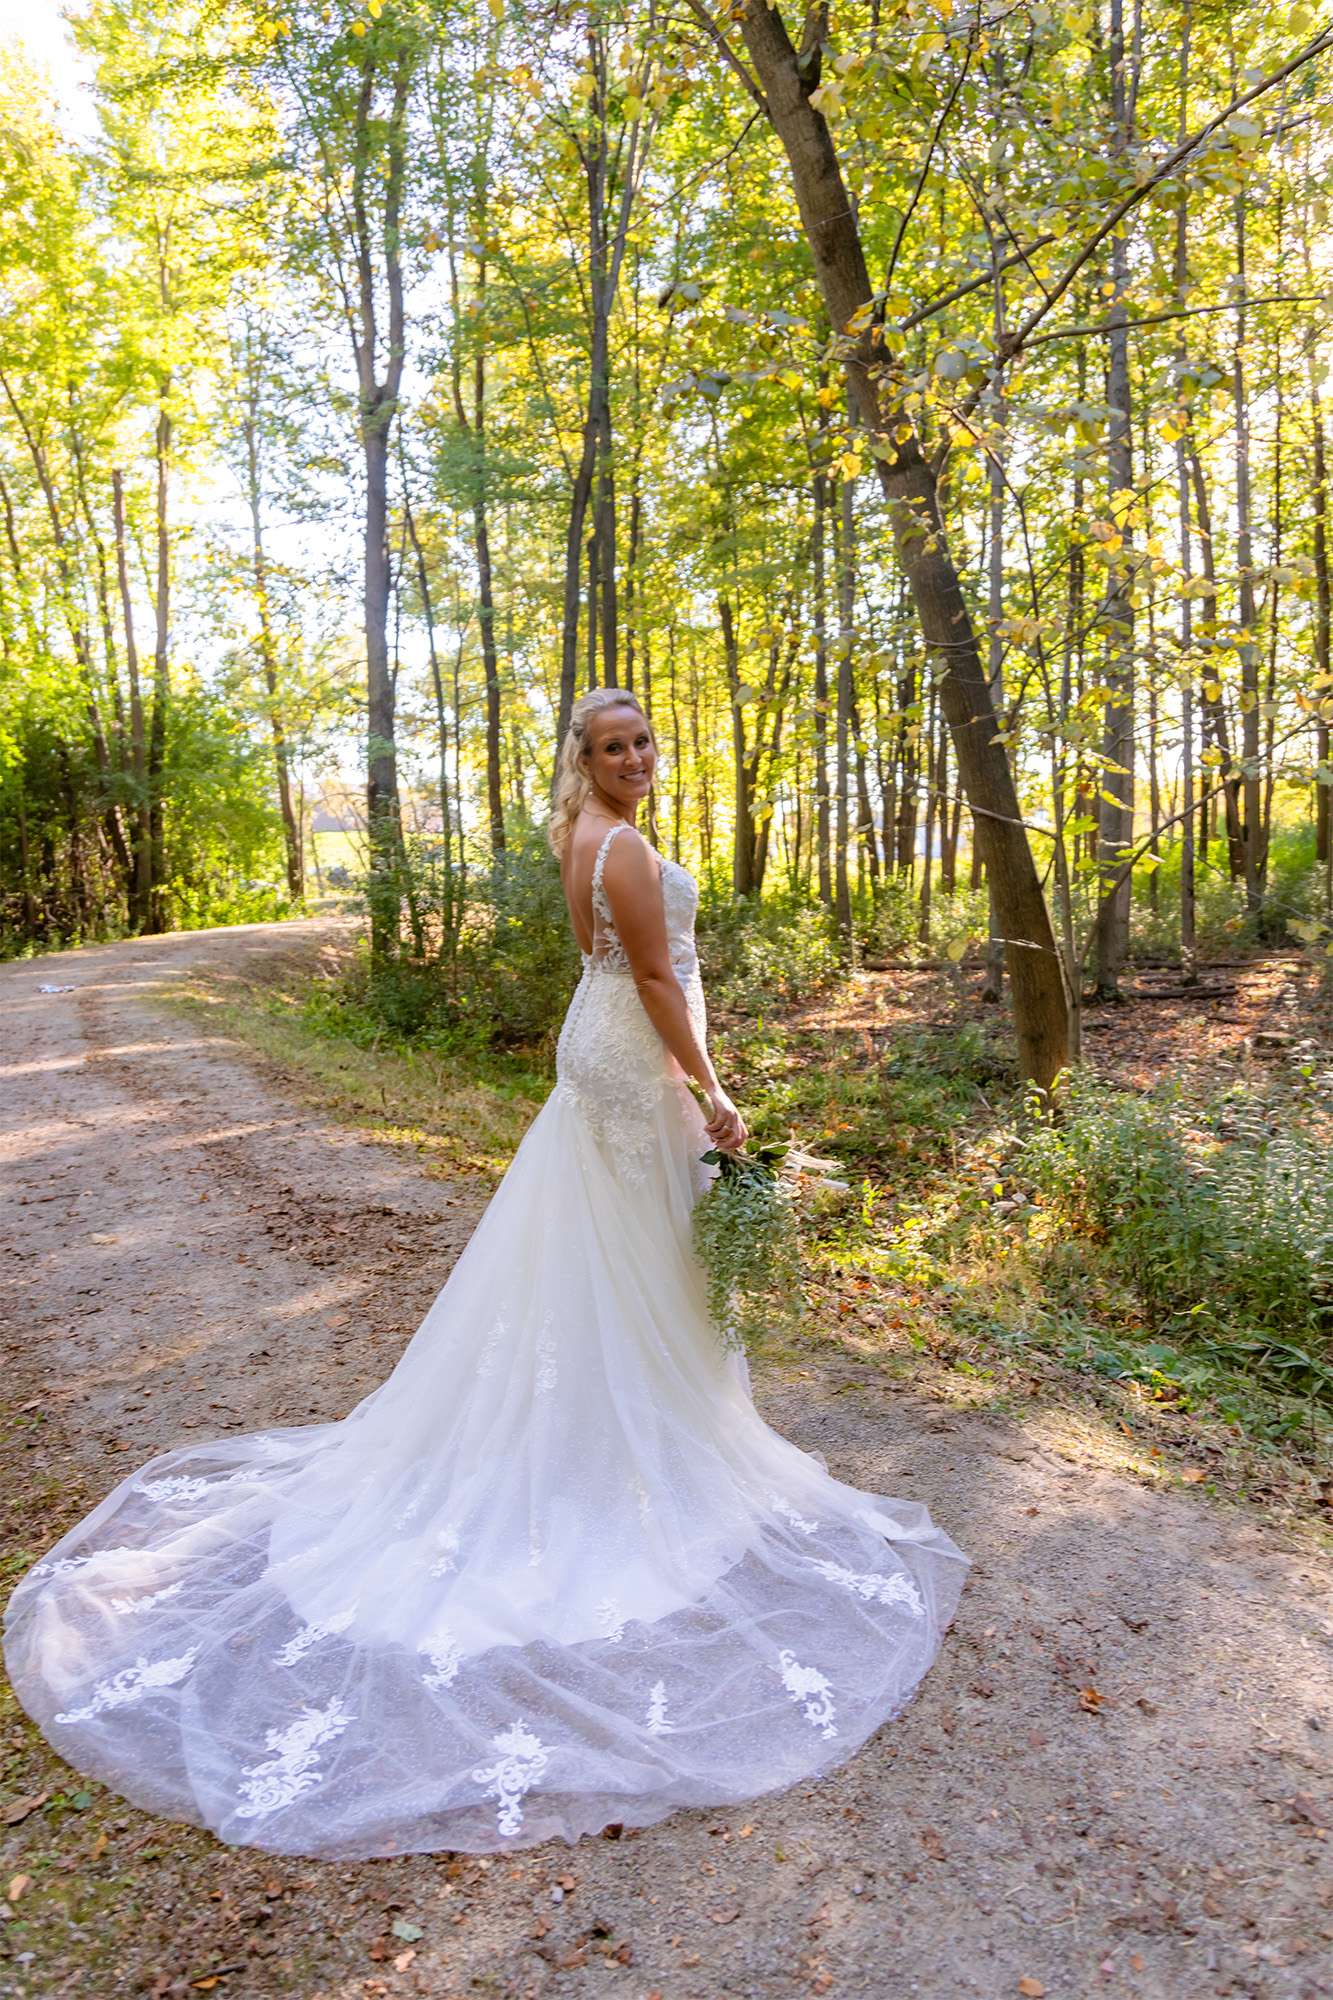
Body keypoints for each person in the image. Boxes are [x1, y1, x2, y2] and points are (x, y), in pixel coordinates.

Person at [5, 688, 968, 1858]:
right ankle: (628, 1442)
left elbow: (604, 961)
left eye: (642, 742)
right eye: (611, 747)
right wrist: (713, 1088)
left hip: (601, 1046)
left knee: (615, 1251)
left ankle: (628, 1417)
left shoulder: (581, 834)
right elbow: (655, 980)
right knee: (635, 1250)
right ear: (587, 758)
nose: (631, 759)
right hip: (631, 1053)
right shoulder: (618, 843)